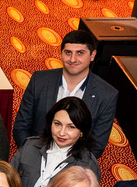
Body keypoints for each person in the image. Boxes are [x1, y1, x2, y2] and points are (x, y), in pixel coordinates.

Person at [12, 28, 117, 159]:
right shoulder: (39, 80)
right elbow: (21, 127)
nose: (72, 59)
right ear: (61, 53)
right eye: (68, 52)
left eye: (80, 53)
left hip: (76, 163)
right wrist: (33, 157)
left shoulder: (107, 95)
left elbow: (97, 145)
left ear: (92, 55)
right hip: (35, 156)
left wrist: (70, 166)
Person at [11, 96, 101, 187]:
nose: (61, 133)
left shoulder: (88, 165)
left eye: (71, 127)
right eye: (57, 124)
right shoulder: (30, 146)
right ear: (50, 124)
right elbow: (8, 182)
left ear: (82, 131)